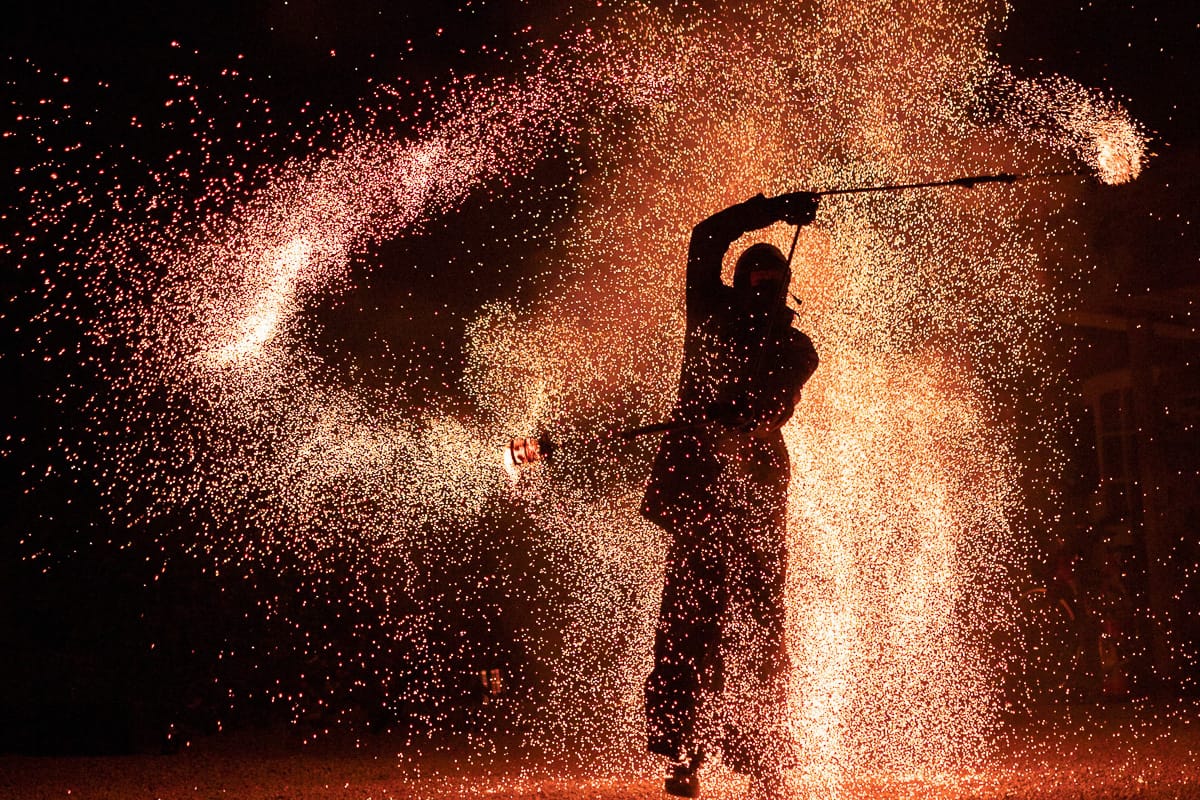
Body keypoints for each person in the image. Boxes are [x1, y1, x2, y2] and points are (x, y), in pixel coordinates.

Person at [641, 192, 820, 798]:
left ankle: (763, 749)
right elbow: (705, 236)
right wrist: (772, 209)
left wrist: (742, 425)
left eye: (775, 283)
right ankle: (685, 750)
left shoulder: (797, 348)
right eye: (756, 278)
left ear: (784, 289)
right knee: (691, 621)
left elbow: (775, 404)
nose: (764, 290)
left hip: (758, 496)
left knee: (762, 627)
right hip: (701, 496)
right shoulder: (708, 312)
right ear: (739, 280)